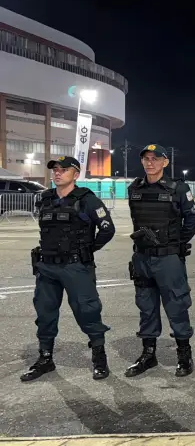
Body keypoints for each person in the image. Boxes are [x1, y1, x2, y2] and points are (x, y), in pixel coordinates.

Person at [21, 156, 115, 382]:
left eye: (63, 169)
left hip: (76, 267)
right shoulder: (45, 199)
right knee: (44, 313)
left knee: (88, 311)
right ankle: (45, 358)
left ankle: (99, 358)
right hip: (47, 267)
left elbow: (107, 229)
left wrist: (87, 250)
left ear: (76, 174)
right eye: (54, 169)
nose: (57, 172)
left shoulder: (87, 200)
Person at [125, 144, 195, 378]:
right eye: (146, 159)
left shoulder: (178, 188)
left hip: (168, 259)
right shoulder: (134, 189)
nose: (150, 163)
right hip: (142, 258)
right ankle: (148, 354)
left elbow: (192, 220)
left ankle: (184, 356)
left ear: (165, 162)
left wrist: (174, 244)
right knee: (146, 307)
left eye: (155, 159)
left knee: (176, 305)